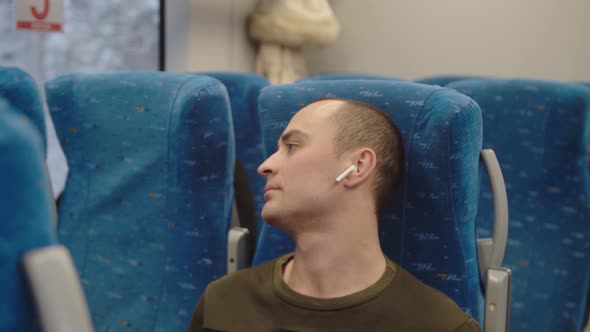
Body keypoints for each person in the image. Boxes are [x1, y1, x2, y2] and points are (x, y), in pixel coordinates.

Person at [188, 98, 481, 332]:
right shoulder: (223, 305)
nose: (265, 165)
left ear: (358, 166)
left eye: (292, 147)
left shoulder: (439, 325)